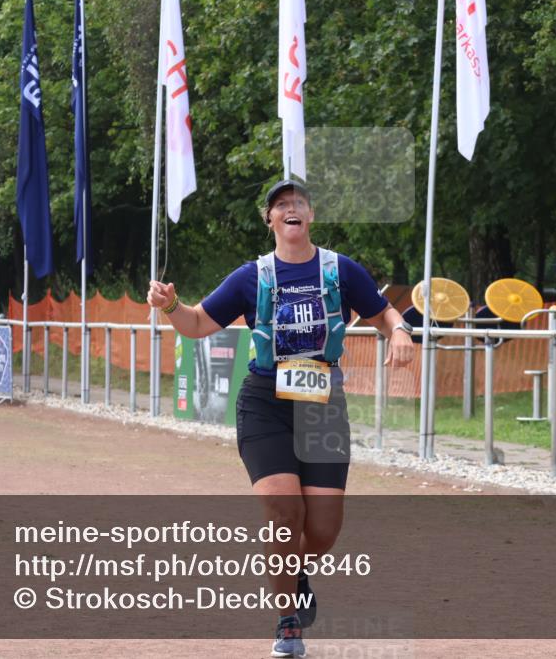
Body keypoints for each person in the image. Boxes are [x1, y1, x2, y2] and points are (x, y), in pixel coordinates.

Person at [147, 179, 415, 658]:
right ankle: (287, 621)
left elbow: (384, 314)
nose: (291, 209)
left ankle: (286, 569)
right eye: (281, 205)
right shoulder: (251, 277)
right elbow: (195, 325)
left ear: (310, 216)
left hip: (323, 406)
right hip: (265, 403)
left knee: (324, 531)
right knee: (283, 514)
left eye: (299, 203)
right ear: (269, 220)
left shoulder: (341, 269)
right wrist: (169, 304)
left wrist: (400, 332)